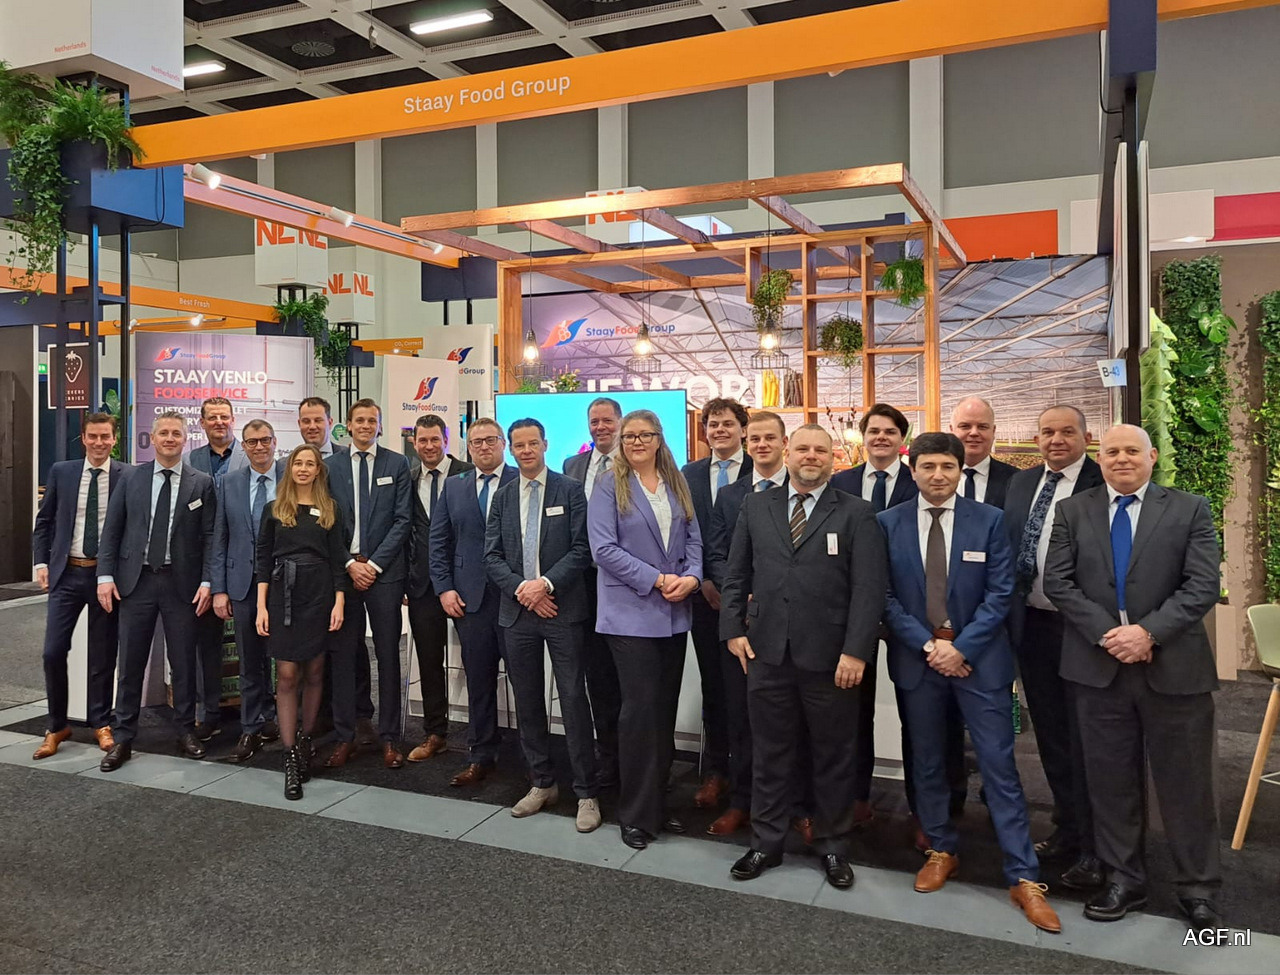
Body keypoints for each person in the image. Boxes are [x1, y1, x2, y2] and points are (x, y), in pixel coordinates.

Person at [879, 432, 1060, 933]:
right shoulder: (887, 523)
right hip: (920, 661)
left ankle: (1024, 875)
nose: (938, 475)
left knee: (1000, 767)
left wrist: (961, 648)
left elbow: (1002, 593)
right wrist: (930, 647)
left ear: (961, 471)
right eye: (928, 466)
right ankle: (941, 849)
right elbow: (885, 596)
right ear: (912, 470)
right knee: (928, 761)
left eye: (948, 467)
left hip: (980, 663)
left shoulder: (990, 520)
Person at [1044, 424, 1222, 929]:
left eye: (1131, 451)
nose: (1121, 459)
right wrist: (1109, 635)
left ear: (1152, 456)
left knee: (1186, 784)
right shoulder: (1073, 511)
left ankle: (1198, 888)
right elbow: (1057, 581)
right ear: (1099, 458)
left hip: (1174, 668)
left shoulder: (1190, 509)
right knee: (1110, 782)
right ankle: (1124, 879)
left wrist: (1148, 633)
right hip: (1098, 669)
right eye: (1111, 452)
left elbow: (1203, 584)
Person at [720, 424, 885, 890]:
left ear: (833, 458)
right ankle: (766, 842)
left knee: (833, 755)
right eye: (803, 449)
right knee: (770, 752)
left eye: (821, 450)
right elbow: (736, 573)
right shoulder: (756, 506)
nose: (811, 456)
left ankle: (832, 845)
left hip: (832, 659)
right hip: (766, 652)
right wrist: (732, 630)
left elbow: (869, 590)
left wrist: (856, 651)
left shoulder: (857, 513)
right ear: (788, 453)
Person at [831, 403, 963, 840]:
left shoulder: (922, 480)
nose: (881, 438)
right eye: (873, 431)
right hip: (854, 616)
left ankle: (926, 812)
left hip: (912, 617)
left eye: (890, 431)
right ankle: (856, 799)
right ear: (863, 436)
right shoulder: (841, 483)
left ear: (902, 439)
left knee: (920, 719)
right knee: (852, 714)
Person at [589, 409, 703, 850]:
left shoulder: (676, 482)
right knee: (639, 715)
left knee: (662, 712)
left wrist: (692, 578)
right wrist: (656, 580)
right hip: (630, 613)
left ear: (659, 439)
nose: (637, 442)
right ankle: (635, 814)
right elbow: (603, 549)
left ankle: (657, 803)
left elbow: (693, 539)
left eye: (645, 435)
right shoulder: (608, 484)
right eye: (629, 436)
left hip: (674, 612)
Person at [1004, 405, 1103, 890]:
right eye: (1047, 432)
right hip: (1033, 626)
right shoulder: (1022, 483)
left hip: (1082, 629)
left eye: (1067, 432)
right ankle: (1067, 826)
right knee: (1051, 733)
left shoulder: (1103, 483)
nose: (1056, 440)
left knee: (1090, 738)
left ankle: (1097, 845)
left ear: (1087, 436)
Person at [485, 418, 599, 831]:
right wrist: (524, 590)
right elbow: (492, 555)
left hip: (562, 610)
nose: (527, 451)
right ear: (511, 448)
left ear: (545, 445)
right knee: (528, 700)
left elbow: (582, 548)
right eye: (519, 445)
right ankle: (541, 782)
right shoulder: (502, 496)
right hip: (518, 613)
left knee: (572, 699)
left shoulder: (570, 490)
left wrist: (545, 585)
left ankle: (586, 792)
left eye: (533, 443)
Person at [96, 412, 216, 772]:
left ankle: (185, 730)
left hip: (183, 584)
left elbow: (210, 537)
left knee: (184, 662)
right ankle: (123, 737)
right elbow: (112, 529)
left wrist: (207, 581)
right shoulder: (131, 478)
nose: (169, 438)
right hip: (137, 582)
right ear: (153, 437)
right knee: (130, 664)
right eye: (163, 432)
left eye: (176, 433)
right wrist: (105, 575)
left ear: (185, 439)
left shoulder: (201, 483)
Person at [702, 410, 789, 836]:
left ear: (784, 442)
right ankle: (742, 801)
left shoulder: (802, 489)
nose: (761, 445)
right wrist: (741, 594)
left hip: (790, 623)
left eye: (769, 438)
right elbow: (717, 554)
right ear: (747, 443)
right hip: (740, 621)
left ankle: (795, 806)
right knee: (739, 715)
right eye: (755, 439)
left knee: (788, 719)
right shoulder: (730, 495)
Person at [31, 412, 129, 759]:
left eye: (105, 437)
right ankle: (57, 724)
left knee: (102, 655)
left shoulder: (127, 475)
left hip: (106, 578)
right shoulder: (62, 471)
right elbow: (44, 521)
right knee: (53, 651)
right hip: (67, 574)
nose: (99, 443)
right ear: (83, 439)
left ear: (114, 439)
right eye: (93, 436)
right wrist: (41, 562)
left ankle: (101, 722)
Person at [255, 444, 348, 800]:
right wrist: (262, 607)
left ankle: (307, 741)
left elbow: (338, 560)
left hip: (320, 595)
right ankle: (290, 754)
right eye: (298, 463)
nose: (304, 469)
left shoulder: (330, 509)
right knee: (287, 674)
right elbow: (263, 560)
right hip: (283, 596)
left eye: (310, 463)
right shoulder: (274, 510)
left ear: (318, 470)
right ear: (290, 469)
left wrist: (339, 602)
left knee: (315, 671)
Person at [324, 398, 412, 769]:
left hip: (384, 574)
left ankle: (390, 737)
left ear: (379, 425)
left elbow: (403, 520)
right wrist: (349, 563)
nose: (365, 426)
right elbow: (325, 522)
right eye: (359, 420)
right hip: (344, 574)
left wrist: (373, 565)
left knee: (388, 655)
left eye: (371, 420)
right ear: (348, 425)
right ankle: (346, 735)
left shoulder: (397, 463)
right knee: (344, 656)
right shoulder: (330, 467)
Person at [430, 418, 517, 786]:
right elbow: (438, 541)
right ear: (468, 447)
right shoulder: (454, 486)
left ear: (503, 444)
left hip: (515, 600)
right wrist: (444, 588)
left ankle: (533, 758)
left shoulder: (521, 479)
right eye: (477, 441)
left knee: (524, 682)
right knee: (479, 681)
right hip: (469, 600)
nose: (484, 446)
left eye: (491, 440)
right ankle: (480, 754)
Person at [680, 397, 751, 810]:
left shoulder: (759, 469)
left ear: (743, 429)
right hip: (704, 598)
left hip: (751, 602)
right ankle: (716, 772)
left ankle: (752, 779)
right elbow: (682, 532)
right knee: (714, 687)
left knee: (751, 693)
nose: (719, 430)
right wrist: (704, 579)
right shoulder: (688, 474)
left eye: (727, 423)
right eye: (712, 424)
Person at [210, 419, 285, 763]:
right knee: (250, 658)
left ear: (274, 442)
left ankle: (283, 721)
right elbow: (220, 537)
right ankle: (251, 726)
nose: (259, 447)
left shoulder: (291, 477)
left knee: (285, 657)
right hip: (242, 583)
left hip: (284, 582)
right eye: (252, 442)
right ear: (243, 446)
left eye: (265, 440)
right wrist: (219, 589)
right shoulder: (229, 483)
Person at [405, 415, 474, 763]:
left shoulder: (469, 473)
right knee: (430, 662)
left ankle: (481, 736)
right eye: (423, 440)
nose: (429, 446)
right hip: (422, 585)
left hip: (466, 583)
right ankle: (435, 733)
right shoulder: (407, 478)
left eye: (435, 439)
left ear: (447, 440)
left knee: (477, 660)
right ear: (414, 442)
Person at [562, 396, 623, 789]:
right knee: (596, 676)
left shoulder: (634, 463)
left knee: (630, 678)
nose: (600, 427)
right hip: (582, 584)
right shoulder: (573, 465)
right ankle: (608, 757)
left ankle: (639, 759)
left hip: (624, 584)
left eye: (607, 421)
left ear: (620, 422)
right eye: (594, 421)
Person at [188, 396, 249, 741]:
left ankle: (257, 712)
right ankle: (208, 711)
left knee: (251, 643)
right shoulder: (190, 460)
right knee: (205, 644)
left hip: (242, 562)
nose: (219, 422)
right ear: (202, 422)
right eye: (212, 417)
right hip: (203, 565)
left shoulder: (250, 456)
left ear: (233, 419)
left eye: (224, 416)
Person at [949, 396, 1018, 509]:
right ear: (952, 430)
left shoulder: (1017, 480)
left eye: (982, 427)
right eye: (965, 426)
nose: (974, 433)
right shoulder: (930, 479)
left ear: (993, 431)